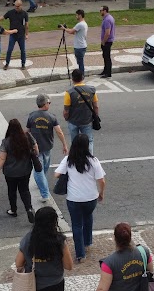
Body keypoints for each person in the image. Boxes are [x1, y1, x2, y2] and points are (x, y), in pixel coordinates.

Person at [56, 133, 104, 261]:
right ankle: (88, 242)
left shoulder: (68, 160)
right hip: (91, 197)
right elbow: (101, 181)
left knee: (76, 225)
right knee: (88, 217)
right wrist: (101, 193)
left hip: (74, 199)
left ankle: (80, 254)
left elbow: (56, 175)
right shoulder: (94, 161)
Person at [0, 118, 39, 221]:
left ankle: (13, 210)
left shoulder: (6, 141)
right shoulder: (27, 136)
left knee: (12, 190)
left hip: (10, 172)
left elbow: (2, 158)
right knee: (24, 190)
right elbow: (36, 148)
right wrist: (35, 154)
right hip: (25, 170)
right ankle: (29, 209)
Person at [27, 93, 67, 201]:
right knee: (41, 169)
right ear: (45, 104)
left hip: (36, 147)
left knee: (42, 169)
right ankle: (45, 194)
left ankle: (41, 182)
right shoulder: (51, 116)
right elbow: (59, 132)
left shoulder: (32, 116)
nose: (49, 104)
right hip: (47, 146)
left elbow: (27, 132)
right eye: (49, 103)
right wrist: (64, 144)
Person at [63, 68, 99, 153]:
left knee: (74, 142)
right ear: (82, 78)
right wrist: (95, 116)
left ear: (72, 79)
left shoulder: (69, 93)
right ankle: (90, 159)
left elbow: (66, 111)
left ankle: (75, 159)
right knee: (89, 141)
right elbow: (96, 106)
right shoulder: (92, 90)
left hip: (73, 121)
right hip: (87, 120)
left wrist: (67, 118)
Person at [3, 0, 30, 69]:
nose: (16, 8)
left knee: (23, 50)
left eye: (18, 6)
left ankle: (23, 64)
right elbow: (3, 17)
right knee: (9, 49)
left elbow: (26, 25)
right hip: (13, 34)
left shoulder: (24, 14)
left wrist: (26, 34)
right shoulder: (10, 12)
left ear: (21, 6)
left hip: (21, 34)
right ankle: (7, 63)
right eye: (15, 6)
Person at [62, 10, 89, 74]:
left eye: (76, 15)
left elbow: (71, 31)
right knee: (80, 62)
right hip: (82, 45)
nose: (76, 16)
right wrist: (67, 29)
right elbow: (74, 32)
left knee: (80, 63)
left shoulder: (80, 24)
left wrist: (64, 28)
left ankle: (81, 75)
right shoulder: (84, 24)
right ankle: (81, 75)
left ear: (80, 15)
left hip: (79, 46)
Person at [99, 6, 115, 78]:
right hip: (108, 41)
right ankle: (105, 70)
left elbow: (107, 32)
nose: (100, 12)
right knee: (105, 56)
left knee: (107, 57)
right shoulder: (108, 18)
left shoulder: (107, 20)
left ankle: (108, 73)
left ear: (104, 11)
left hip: (107, 41)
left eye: (101, 10)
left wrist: (103, 42)